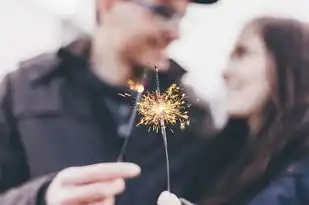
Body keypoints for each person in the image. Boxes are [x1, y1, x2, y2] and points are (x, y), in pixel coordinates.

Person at [0, 0, 219, 205]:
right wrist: (42, 198)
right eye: (164, 12)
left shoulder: (193, 119)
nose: (175, 33)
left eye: (182, 17)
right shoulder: (24, 89)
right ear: (108, 4)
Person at [157, 16, 309, 205]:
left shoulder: (301, 172)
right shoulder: (221, 157)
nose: (225, 73)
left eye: (242, 54)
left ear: (289, 63)